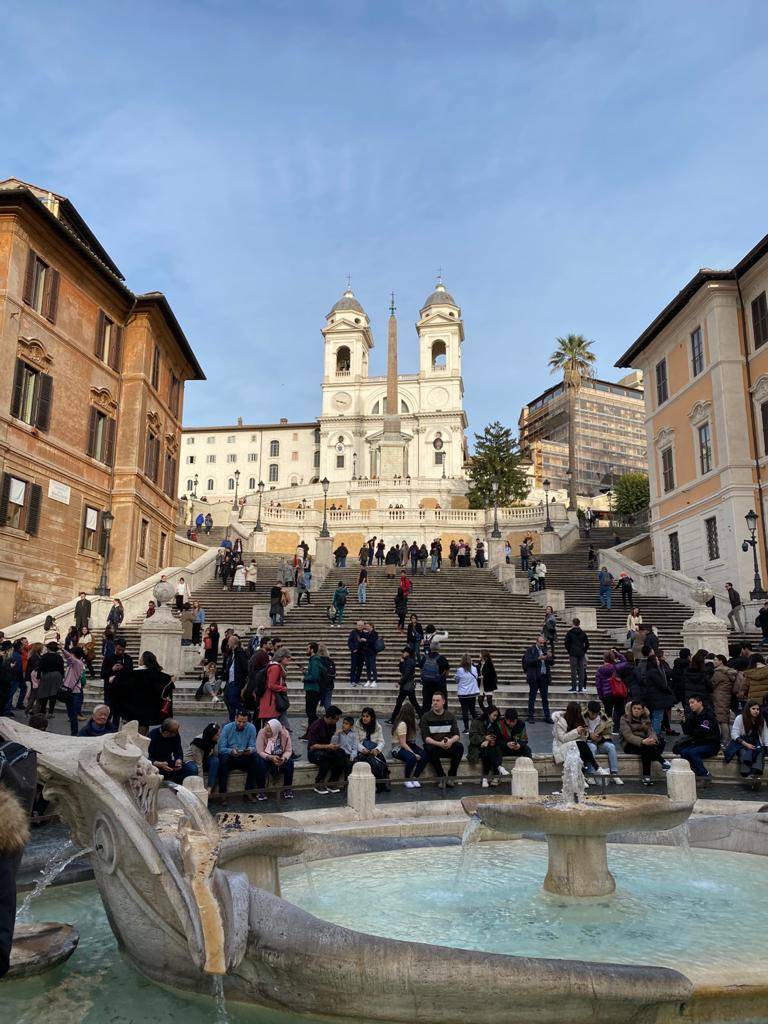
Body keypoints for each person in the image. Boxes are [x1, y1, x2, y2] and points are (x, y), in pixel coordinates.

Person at [110, 651, 173, 735]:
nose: (139, 659)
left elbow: (121, 682)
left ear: (143, 660)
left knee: (131, 737)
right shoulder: (156, 674)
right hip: (147, 712)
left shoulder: (135, 674)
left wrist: (114, 678)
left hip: (133, 711)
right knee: (143, 735)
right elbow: (167, 683)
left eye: (141, 658)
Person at [552, 702, 607, 780]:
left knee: (582, 746)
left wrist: (584, 733)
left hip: (575, 746)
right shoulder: (560, 722)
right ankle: (596, 768)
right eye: (577, 713)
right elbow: (563, 739)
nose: (579, 715)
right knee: (582, 745)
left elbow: (582, 739)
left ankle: (582, 776)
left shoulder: (578, 719)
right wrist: (576, 732)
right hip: (561, 747)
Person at [620, 700, 671, 785]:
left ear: (642, 710)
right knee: (646, 748)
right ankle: (661, 763)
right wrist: (642, 741)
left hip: (645, 742)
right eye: (634, 708)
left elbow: (651, 731)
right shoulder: (624, 718)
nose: (636, 710)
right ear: (631, 709)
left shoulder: (645, 718)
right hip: (629, 744)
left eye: (639, 709)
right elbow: (628, 736)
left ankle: (648, 775)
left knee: (657, 743)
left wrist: (653, 739)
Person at [418, 692, 464, 786]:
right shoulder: (426, 717)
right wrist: (439, 744)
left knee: (459, 747)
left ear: (443, 701)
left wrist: (450, 741)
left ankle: (452, 776)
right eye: (433, 700)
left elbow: (457, 735)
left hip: (447, 745)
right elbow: (425, 738)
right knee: (429, 748)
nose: (435, 703)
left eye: (437, 700)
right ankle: (441, 776)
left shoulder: (450, 716)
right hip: (435, 746)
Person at [677, 694, 720, 784]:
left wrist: (693, 731)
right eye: (689, 703)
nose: (691, 705)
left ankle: (706, 775)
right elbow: (688, 732)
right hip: (699, 742)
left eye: (692, 703)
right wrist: (684, 722)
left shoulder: (709, 715)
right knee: (683, 751)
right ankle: (693, 773)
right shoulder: (693, 715)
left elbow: (701, 732)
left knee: (693, 752)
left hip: (711, 744)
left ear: (700, 703)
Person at [306, 705, 347, 794]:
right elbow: (312, 746)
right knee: (324, 757)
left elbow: (331, 740)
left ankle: (332, 782)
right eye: (336, 718)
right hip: (314, 752)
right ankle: (319, 783)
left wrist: (336, 744)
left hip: (327, 748)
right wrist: (328, 746)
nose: (338, 721)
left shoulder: (332, 725)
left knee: (341, 754)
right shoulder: (316, 725)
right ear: (329, 717)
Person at [218, 712, 259, 797]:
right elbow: (221, 749)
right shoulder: (227, 728)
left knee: (255, 757)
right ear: (235, 718)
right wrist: (231, 751)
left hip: (243, 756)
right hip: (230, 757)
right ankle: (223, 794)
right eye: (239, 721)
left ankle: (248, 791)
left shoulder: (251, 728)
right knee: (223, 758)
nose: (241, 724)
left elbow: (253, 746)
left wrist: (250, 750)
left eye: (244, 722)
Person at [728, 700, 768, 787]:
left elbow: (765, 735)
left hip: (756, 742)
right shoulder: (740, 718)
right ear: (748, 709)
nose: (756, 711)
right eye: (753, 709)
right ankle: (748, 774)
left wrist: (766, 746)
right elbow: (734, 734)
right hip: (741, 742)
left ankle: (754, 774)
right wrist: (746, 744)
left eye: (758, 709)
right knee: (743, 752)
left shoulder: (761, 720)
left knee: (760, 752)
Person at [148, 719, 198, 785]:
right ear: (166, 732)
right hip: (155, 766)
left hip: (168, 764)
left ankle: (176, 783)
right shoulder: (152, 735)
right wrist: (159, 764)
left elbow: (178, 750)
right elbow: (147, 757)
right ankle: (168, 782)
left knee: (192, 769)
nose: (177, 733)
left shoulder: (175, 735)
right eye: (175, 732)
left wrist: (178, 760)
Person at [584, 700, 623, 783]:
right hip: (588, 742)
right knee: (592, 747)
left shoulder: (605, 719)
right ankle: (590, 774)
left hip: (600, 742)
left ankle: (614, 773)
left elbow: (609, 734)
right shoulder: (582, 717)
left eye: (596, 714)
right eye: (592, 713)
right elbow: (578, 732)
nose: (594, 716)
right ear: (588, 711)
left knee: (611, 747)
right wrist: (589, 735)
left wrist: (601, 738)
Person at [255, 718, 294, 800]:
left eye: (269, 731)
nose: (267, 732)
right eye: (266, 730)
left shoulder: (285, 733)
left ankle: (287, 789)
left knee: (290, 762)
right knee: (260, 763)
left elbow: (288, 750)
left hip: (279, 756)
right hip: (266, 756)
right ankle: (260, 790)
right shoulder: (262, 732)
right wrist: (271, 757)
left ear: (275, 730)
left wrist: (283, 759)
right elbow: (259, 751)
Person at [355, 707, 390, 789]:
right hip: (362, 751)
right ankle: (375, 785)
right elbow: (355, 742)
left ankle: (383, 784)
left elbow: (381, 741)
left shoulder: (378, 726)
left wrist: (377, 749)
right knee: (370, 762)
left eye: (367, 716)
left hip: (374, 750)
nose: (364, 718)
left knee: (382, 761)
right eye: (363, 716)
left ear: (372, 717)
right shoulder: (357, 725)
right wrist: (363, 749)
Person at [391, 703, 423, 788]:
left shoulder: (411, 722)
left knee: (424, 755)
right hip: (397, 748)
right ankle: (407, 779)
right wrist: (414, 753)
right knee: (412, 757)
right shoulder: (402, 724)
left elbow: (417, 731)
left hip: (409, 744)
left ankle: (415, 777)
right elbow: (402, 743)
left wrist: (415, 723)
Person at [523, 635, 553, 724]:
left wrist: (550, 656)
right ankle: (530, 716)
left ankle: (547, 716)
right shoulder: (531, 650)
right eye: (540, 643)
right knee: (532, 697)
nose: (542, 645)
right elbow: (528, 662)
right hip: (534, 677)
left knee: (545, 698)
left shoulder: (545, 650)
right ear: (537, 642)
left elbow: (552, 663)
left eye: (543, 643)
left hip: (544, 677)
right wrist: (538, 658)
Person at [257, 648, 291, 726]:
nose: (289, 659)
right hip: (271, 701)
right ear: (281, 657)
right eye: (287, 657)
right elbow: (271, 685)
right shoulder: (275, 668)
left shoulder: (275, 667)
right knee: (277, 727)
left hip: (272, 701)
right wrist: (283, 688)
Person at [711, 654, 738, 742]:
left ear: (721, 661)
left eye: (715, 660)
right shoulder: (729, 671)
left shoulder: (719, 672)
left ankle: (726, 739)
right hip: (726, 696)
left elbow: (712, 684)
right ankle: (727, 739)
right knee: (724, 717)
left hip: (719, 696)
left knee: (722, 719)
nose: (713, 662)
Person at [222, 636, 249, 721]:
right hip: (230, 681)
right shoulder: (231, 653)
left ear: (234, 643)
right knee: (226, 698)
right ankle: (232, 718)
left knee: (232, 699)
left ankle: (244, 712)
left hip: (237, 681)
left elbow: (245, 667)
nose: (228, 643)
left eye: (229, 641)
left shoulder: (240, 652)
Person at [34, 642, 64, 716]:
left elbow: (40, 668)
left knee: (44, 693)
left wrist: (38, 677)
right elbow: (61, 668)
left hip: (46, 675)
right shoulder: (59, 657)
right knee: (53, 694)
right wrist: (62, 677)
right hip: (57, 675)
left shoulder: (44, 656)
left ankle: (42, 711)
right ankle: (50, 712)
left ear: (48, 648)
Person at [390, 645, 419, 721]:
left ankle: (393, 718)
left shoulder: (409, 661)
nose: (403, 653)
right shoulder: (407, 660)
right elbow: (402, 671)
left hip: (407, 685)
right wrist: (401, 663)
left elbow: (406, 674)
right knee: (401, 702)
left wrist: (399, 682)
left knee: (412, 703)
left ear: (408, 653)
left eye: (404, 652)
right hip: (406, 685)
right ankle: (393, 718)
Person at [421, 640, 449, 711]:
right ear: (438, 648)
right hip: (439, 685)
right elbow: (447, 671)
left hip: (427, 685)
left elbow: (421, 667)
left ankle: (424, 721)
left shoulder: (425, 657)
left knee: (426, 706)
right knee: (442, 705)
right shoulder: (442, 658)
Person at [455, 653, 479, 732]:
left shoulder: (460, 670)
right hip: (472, 693)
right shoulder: (474, 669)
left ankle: (466, 728)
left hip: (463, 694)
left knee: (464, 711)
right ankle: (477, 727)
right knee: (473, 710)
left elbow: (457, 680)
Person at [564, 617, 589, 693]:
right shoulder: (583, 633)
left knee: (573, 671)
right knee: (581, 671)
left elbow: (566, 643)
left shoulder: (570, 633)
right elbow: (587, 644)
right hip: (581, 653)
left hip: (573, 653)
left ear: (573, 623)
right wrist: (583, 650)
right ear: (579, 624)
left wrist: (570, 650)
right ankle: (580, 688)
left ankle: (574, 687)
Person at [302, 641, 324, 730]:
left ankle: (316, 728)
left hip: (313, 689)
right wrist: (306, 673)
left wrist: (304, 678)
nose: (306, 650)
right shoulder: (313, 659)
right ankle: (311, 731)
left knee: (310, 712)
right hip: (311, 688)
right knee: (310, 711)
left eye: (307, 649)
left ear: (312, 649)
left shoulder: (315, 660)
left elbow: (315, 676)